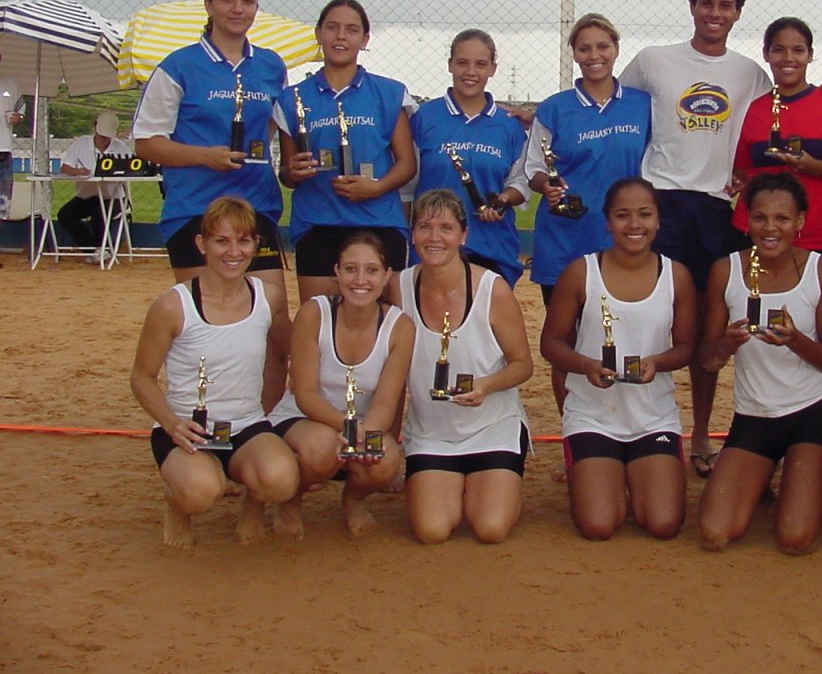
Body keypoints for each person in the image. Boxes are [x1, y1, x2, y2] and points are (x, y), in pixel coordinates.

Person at [617, 0, 770, 477]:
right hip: (660, 205)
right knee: (646, 322)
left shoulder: (751, 73)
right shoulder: (652, 62)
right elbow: (612, 111)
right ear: (691, 6)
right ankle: (632, 431)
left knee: (707, 332)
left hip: (715, 212)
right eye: (707, 3)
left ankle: (701, 433)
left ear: (738, 13)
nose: (715, 14)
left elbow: (771, 127)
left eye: (726, 6)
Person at [129, 196, 297, 548]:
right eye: (221, 241)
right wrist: (173, 425)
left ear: (256, 244)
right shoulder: (172, 305)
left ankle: (254, 504)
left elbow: (287, 350)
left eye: (243, 240)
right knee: (202, 492)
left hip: (247, 425)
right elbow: (142, 378)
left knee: (282, 480)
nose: (233, 252)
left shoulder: (270, 297)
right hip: (187, 430)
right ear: (201, 244)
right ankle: (177, 505)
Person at [540, 177, 696, 540]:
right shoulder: (581, 272)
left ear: (658, 220)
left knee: (663, 523)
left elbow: (686, 347)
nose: (634, 225)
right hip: (593, 418)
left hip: (652, 417)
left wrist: (657, 362)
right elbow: (551, 343)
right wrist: (587, 366)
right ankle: (597, 471)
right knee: (598, 525)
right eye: (622, 215)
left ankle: (633, 475)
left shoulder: (676, 276)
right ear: (607, 222)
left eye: (645, 214)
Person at [698, 173, 822, 554]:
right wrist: (727, 345)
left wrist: (797, 341)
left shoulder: (821, 270)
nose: (770, 228)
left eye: (782, 219)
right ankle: (765, 476)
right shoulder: (725, 270)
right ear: (746, 220)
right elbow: (708, 361)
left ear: (800, 223)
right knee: (715, 533)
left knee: (796, 539)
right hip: (753, 417)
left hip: (809, 414)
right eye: (760, 217)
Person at [523, 13, 650, 418]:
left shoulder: (642, 104)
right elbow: (532, 168)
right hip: (565, 242)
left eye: (602, 47)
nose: (594, 56)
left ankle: (626, 429)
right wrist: (547, 185)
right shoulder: (555, 108)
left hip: (624, 244)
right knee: (569, 346)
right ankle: (576, 436)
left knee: (627, 342)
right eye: (584, 48)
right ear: (574, 54)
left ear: (615, 49)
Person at [391, 190, 534, 543]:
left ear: (463, 235)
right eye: (424, 227)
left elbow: (523, 365)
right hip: (432, 433)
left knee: (489, 528)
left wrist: (485, 385)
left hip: (492, 427)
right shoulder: (399, 287)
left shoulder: (492, 288)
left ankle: (491, 481)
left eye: (445, 227)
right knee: (433, 530)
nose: (434, 237)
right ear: (412, 234)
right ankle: (453, 483)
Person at [133, 0, 287, 286]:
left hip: (257, 206)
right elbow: (146, 143)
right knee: (204, 315)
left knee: (272, 316)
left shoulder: (272, 65)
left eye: (248, 1)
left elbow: (270, 127)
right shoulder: (179, 66)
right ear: (208, 5)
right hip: (195, 209)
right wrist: (206, 157)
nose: (238, 9)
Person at [271, 231, 414, 538]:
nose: (360, 279)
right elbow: (305, 393)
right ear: (336, 272)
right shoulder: (314, 312)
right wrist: (350, 429)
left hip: (361, 424)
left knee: (385, 459)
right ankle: (290, 501)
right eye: (350, 269)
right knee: (322, 449)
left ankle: (352, 500)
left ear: (387, 275)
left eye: (371, 270)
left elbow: (386, 403)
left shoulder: (400, 326)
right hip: (304, 419)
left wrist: (366, 433)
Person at [276, 0, 417, 302]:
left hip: (379, 222)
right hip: (318, 224)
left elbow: (406, 164)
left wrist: (375, 188)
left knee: (385, 325)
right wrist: (293, 171)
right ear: (318, 33)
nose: (341, 36)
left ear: (365, 39)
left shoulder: (389, 92)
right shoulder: (292, 99)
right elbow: (286, 173)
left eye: (352, 30)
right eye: (332, 28)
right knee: (320, 323)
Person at [729, 16, 822, 288]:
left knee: (821, 326)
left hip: (818, 236)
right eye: (778, 49)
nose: (788, 58)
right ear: (766, 53)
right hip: (755, 235)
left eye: (798, 50)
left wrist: (812, 167)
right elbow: (743, 171)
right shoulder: (751, 109)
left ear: (810, 55)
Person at [410, 29, 529, 288]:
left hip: (492, 246)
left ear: (493, 69)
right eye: (462, 63)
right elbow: (408, 186)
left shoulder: (508, 125)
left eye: (481, 64)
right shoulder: (423, 118)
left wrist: (502, 201)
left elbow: (521, 182)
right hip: (434, 245)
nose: (470, 72)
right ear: (450, 64)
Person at [56, 110, 131, 261]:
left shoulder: (120, 147)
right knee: (66, 214)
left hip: (112, 197)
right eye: (101, 136)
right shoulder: (81, 143)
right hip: (87, 195)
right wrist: (78, 171)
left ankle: (100, 249)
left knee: (100, 213)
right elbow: (65, 167)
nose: (104, 140)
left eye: (107, 137)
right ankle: (93, 249)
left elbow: (131, 169)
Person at [0, 52, 24, 220]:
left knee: (3, 203)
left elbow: (20, 111)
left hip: (3, 149)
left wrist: (17, 117)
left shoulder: (11, 85)